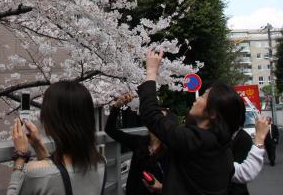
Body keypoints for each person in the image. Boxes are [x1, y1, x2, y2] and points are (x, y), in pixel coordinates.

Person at [138, 49, 244, 195]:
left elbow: (150, 115)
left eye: (204, 96)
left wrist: (151, 72)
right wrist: (165, 188)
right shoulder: (223, 149)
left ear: (212, 113)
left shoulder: (195, 140)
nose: (197, 99)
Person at [6, 81, 106, 195]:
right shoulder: (101, 163)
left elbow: (53, 174)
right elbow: (57, 173)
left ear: (50, 122)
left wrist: (20, 155)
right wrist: (39, 146)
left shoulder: (33, 172)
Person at [105, 92, 166, 195]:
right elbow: (110, 130)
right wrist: (117, 106)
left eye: (162, 119)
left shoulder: (171, 148)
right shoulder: (139, 142)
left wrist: (161, 187)